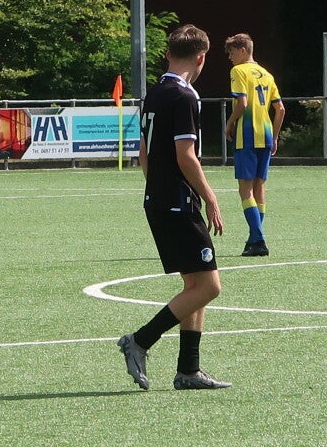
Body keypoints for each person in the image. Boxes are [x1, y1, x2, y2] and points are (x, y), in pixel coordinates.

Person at [115, 24, 232, 391]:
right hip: (179, 202)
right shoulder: (184, 96)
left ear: (168, 54)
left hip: (159, 199)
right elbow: (186, 155)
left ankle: (188, 370)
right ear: (201, 59)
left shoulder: (153, 94)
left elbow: (144, 155)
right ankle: (140, 340)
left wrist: (159, 189)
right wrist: (210, 197)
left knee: (194, 283)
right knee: (209, 287)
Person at [224, 33, 285, 256]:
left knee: (245, 188)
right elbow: (280, 109)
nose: (230, 57)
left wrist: (229, 123)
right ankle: (254, 239)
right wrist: (275, 137)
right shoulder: (267, 74)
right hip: (266, 134)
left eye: (231, 52)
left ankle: (258, 238)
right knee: (259, 187)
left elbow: (242, 103)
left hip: (247, 134)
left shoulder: (238, 71)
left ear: (242, 50)